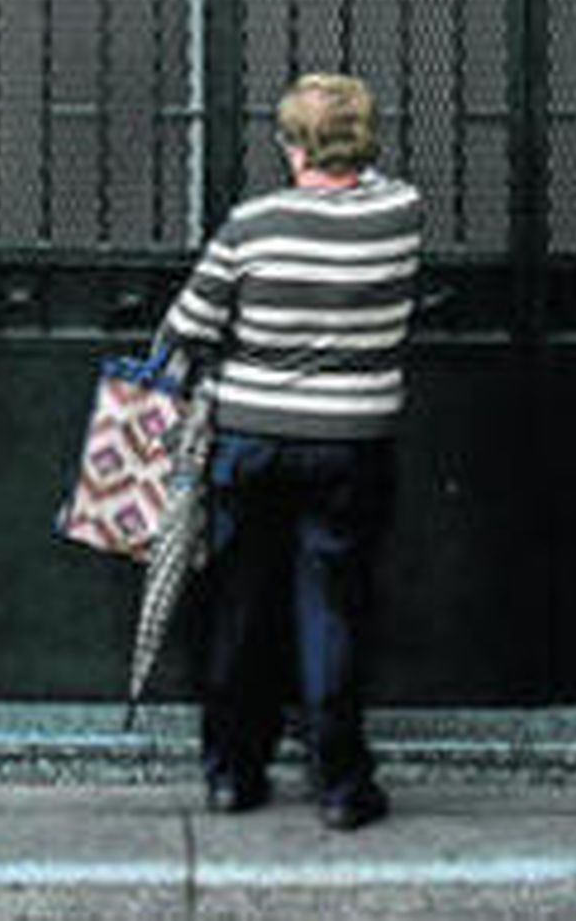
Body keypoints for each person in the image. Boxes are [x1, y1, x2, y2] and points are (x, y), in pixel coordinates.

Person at [160, 72, 422, 828]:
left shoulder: (253, 225)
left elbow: (189, 326)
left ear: (293, 145)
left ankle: (232, 774)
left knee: (240, 605)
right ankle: (340, 784)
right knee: (334, 602)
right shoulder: (400, 212)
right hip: (353, 441)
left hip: (250, 437)